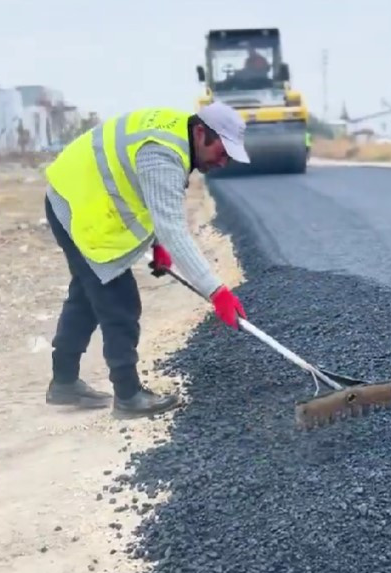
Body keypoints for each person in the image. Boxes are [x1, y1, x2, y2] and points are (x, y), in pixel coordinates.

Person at [43, 101, 249, 418]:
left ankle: (64, 382)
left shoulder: (177, 135)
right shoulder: (164, 155)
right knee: (119, 302)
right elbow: (173, 228)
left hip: (71, 194)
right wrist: (217, 291)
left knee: (87, 293)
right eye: (222, 152)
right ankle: (127, 395)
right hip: (77, 206)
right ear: (201, 133)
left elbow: (148, 198)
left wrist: (157, 247)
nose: (223, 162)